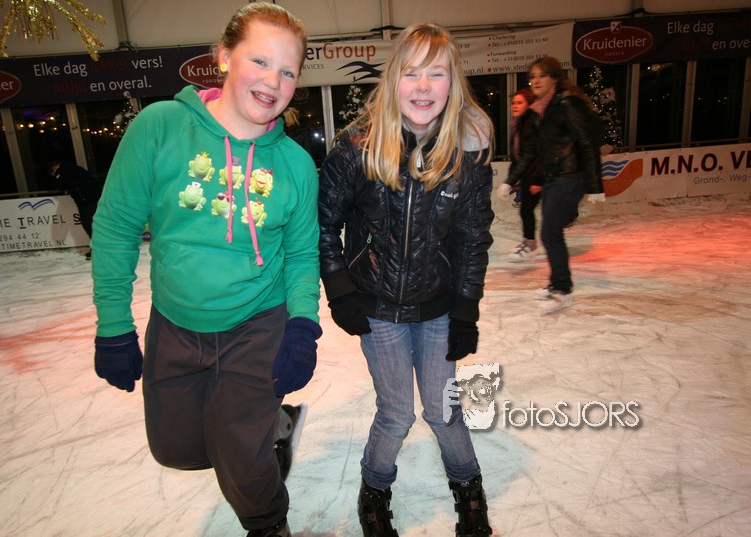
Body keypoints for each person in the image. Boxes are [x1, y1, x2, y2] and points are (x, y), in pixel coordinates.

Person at [90, 4, 321, 537]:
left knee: (240, 456)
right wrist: (113, 325)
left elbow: (302, 254)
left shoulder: (294, 164)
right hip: (176, 319)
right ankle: (273, 425)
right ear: (223, 58)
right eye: (259, 61)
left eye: (288, 71)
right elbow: (116, 228)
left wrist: (302, 326)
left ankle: (268, 524)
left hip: (257, 322)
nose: (273, 81)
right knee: (178, 449)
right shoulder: (160, 127)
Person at [319, 22, 495, 537]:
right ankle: (374, 490)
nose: (423, 86)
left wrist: (465, 310)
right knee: (396, 414)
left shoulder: (466, 154)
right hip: (377, 308)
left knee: (443, 410)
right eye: (412, 72)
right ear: (393, 78)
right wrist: (341, 291)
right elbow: (324, 226)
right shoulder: (356, 147)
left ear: (452, 82)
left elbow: (472, 239)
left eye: (436, 74)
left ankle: (470, 489)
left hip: (438, 308)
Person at [499, 56, 605, 314]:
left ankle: (562, 290)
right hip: (554, 178)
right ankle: (558, 283)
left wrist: (595, 185)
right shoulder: (540, 112)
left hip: (570, 177)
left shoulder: (567, 105)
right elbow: (530, 152)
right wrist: (510, 181)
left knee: (550, 233)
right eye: (532, 77)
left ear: (555, 78)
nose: (535, 81)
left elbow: (587, 143)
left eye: (542, 75)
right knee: (551, 232)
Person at [506, 88, 542, 262]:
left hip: (536, 174)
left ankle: (531, 244)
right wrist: (510, 181)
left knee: (527, 210)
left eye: (519, 102)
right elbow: (516, 158)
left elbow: (537, 154)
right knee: (526, 210)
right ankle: (531, 242)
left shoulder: (531, 123)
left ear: (529, 104)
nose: (515, 106)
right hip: (529, 174)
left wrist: (539, 180)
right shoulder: (518, 125)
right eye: (513, 103)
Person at [48, 160, 102, 259]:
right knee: (94, 223)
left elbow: (59, 184)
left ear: (55, 169)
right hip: (93, 198)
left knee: (88, 224)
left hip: (86, 200)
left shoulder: (63, 170)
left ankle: (98, 249)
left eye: (54, 174)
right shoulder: (72, 169)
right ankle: (99, 247)